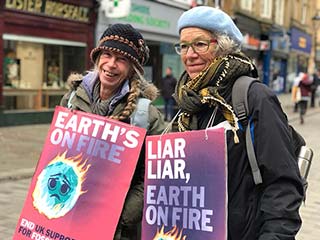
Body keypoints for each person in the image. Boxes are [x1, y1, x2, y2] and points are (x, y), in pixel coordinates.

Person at [173, 6, 304, 239]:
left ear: (223, 46)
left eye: (200, 44)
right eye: (183, 46)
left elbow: (282, 184)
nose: (189, 54)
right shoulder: (186, 103)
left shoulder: (253, 97)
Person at [60, 23, 165, 239]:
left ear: (132, 68)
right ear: (97, 57)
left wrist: (119, 217)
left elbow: (155, 177)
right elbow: (54, 155)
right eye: (107, 54)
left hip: (116, 229)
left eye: (122, 59)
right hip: (68, 218)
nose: (111, 64)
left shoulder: (146, 115)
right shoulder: (71, 99)